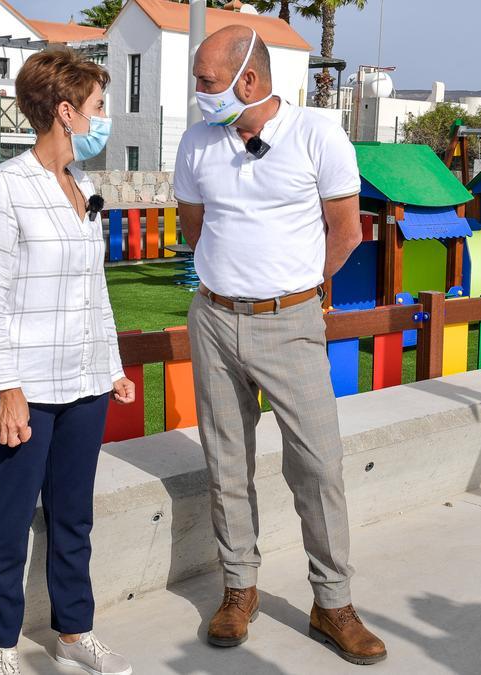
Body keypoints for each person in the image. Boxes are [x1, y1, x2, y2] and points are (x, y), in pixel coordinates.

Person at [174, 26, 387, 666]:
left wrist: (292, 291)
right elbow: (196, 228)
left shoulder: (318, 133)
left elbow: (345, 233)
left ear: (249, 80)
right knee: (226, 464)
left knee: (318, 466)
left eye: (207, 83)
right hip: (212, 319)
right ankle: (239, 591)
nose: (198, 95)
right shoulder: (196, 142)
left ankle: (333, 602)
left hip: (291, 323)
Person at [0, 49, 135, 675]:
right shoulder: (4, 187)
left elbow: (95, 291)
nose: (103, 118)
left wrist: (111, 365)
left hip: (84, 385)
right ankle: (2, 646)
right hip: (25, 390)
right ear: (65, 113)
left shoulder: (84, 188)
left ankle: (73, 633)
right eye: (97, 107)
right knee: (9, 523)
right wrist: (7, 389)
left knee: (74, 517)